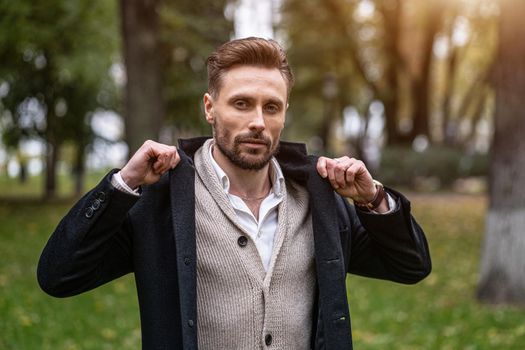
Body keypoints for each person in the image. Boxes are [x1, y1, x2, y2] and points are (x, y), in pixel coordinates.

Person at [37, 37, 431, 350]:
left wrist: (373, 199)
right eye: (241, 104)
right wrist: (122, 185)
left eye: (271, 107)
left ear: (284, 113)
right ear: (210, 107)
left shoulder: (320, 199)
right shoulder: (162, 201)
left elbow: (410, 266)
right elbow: (59, 276)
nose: (258, 122)